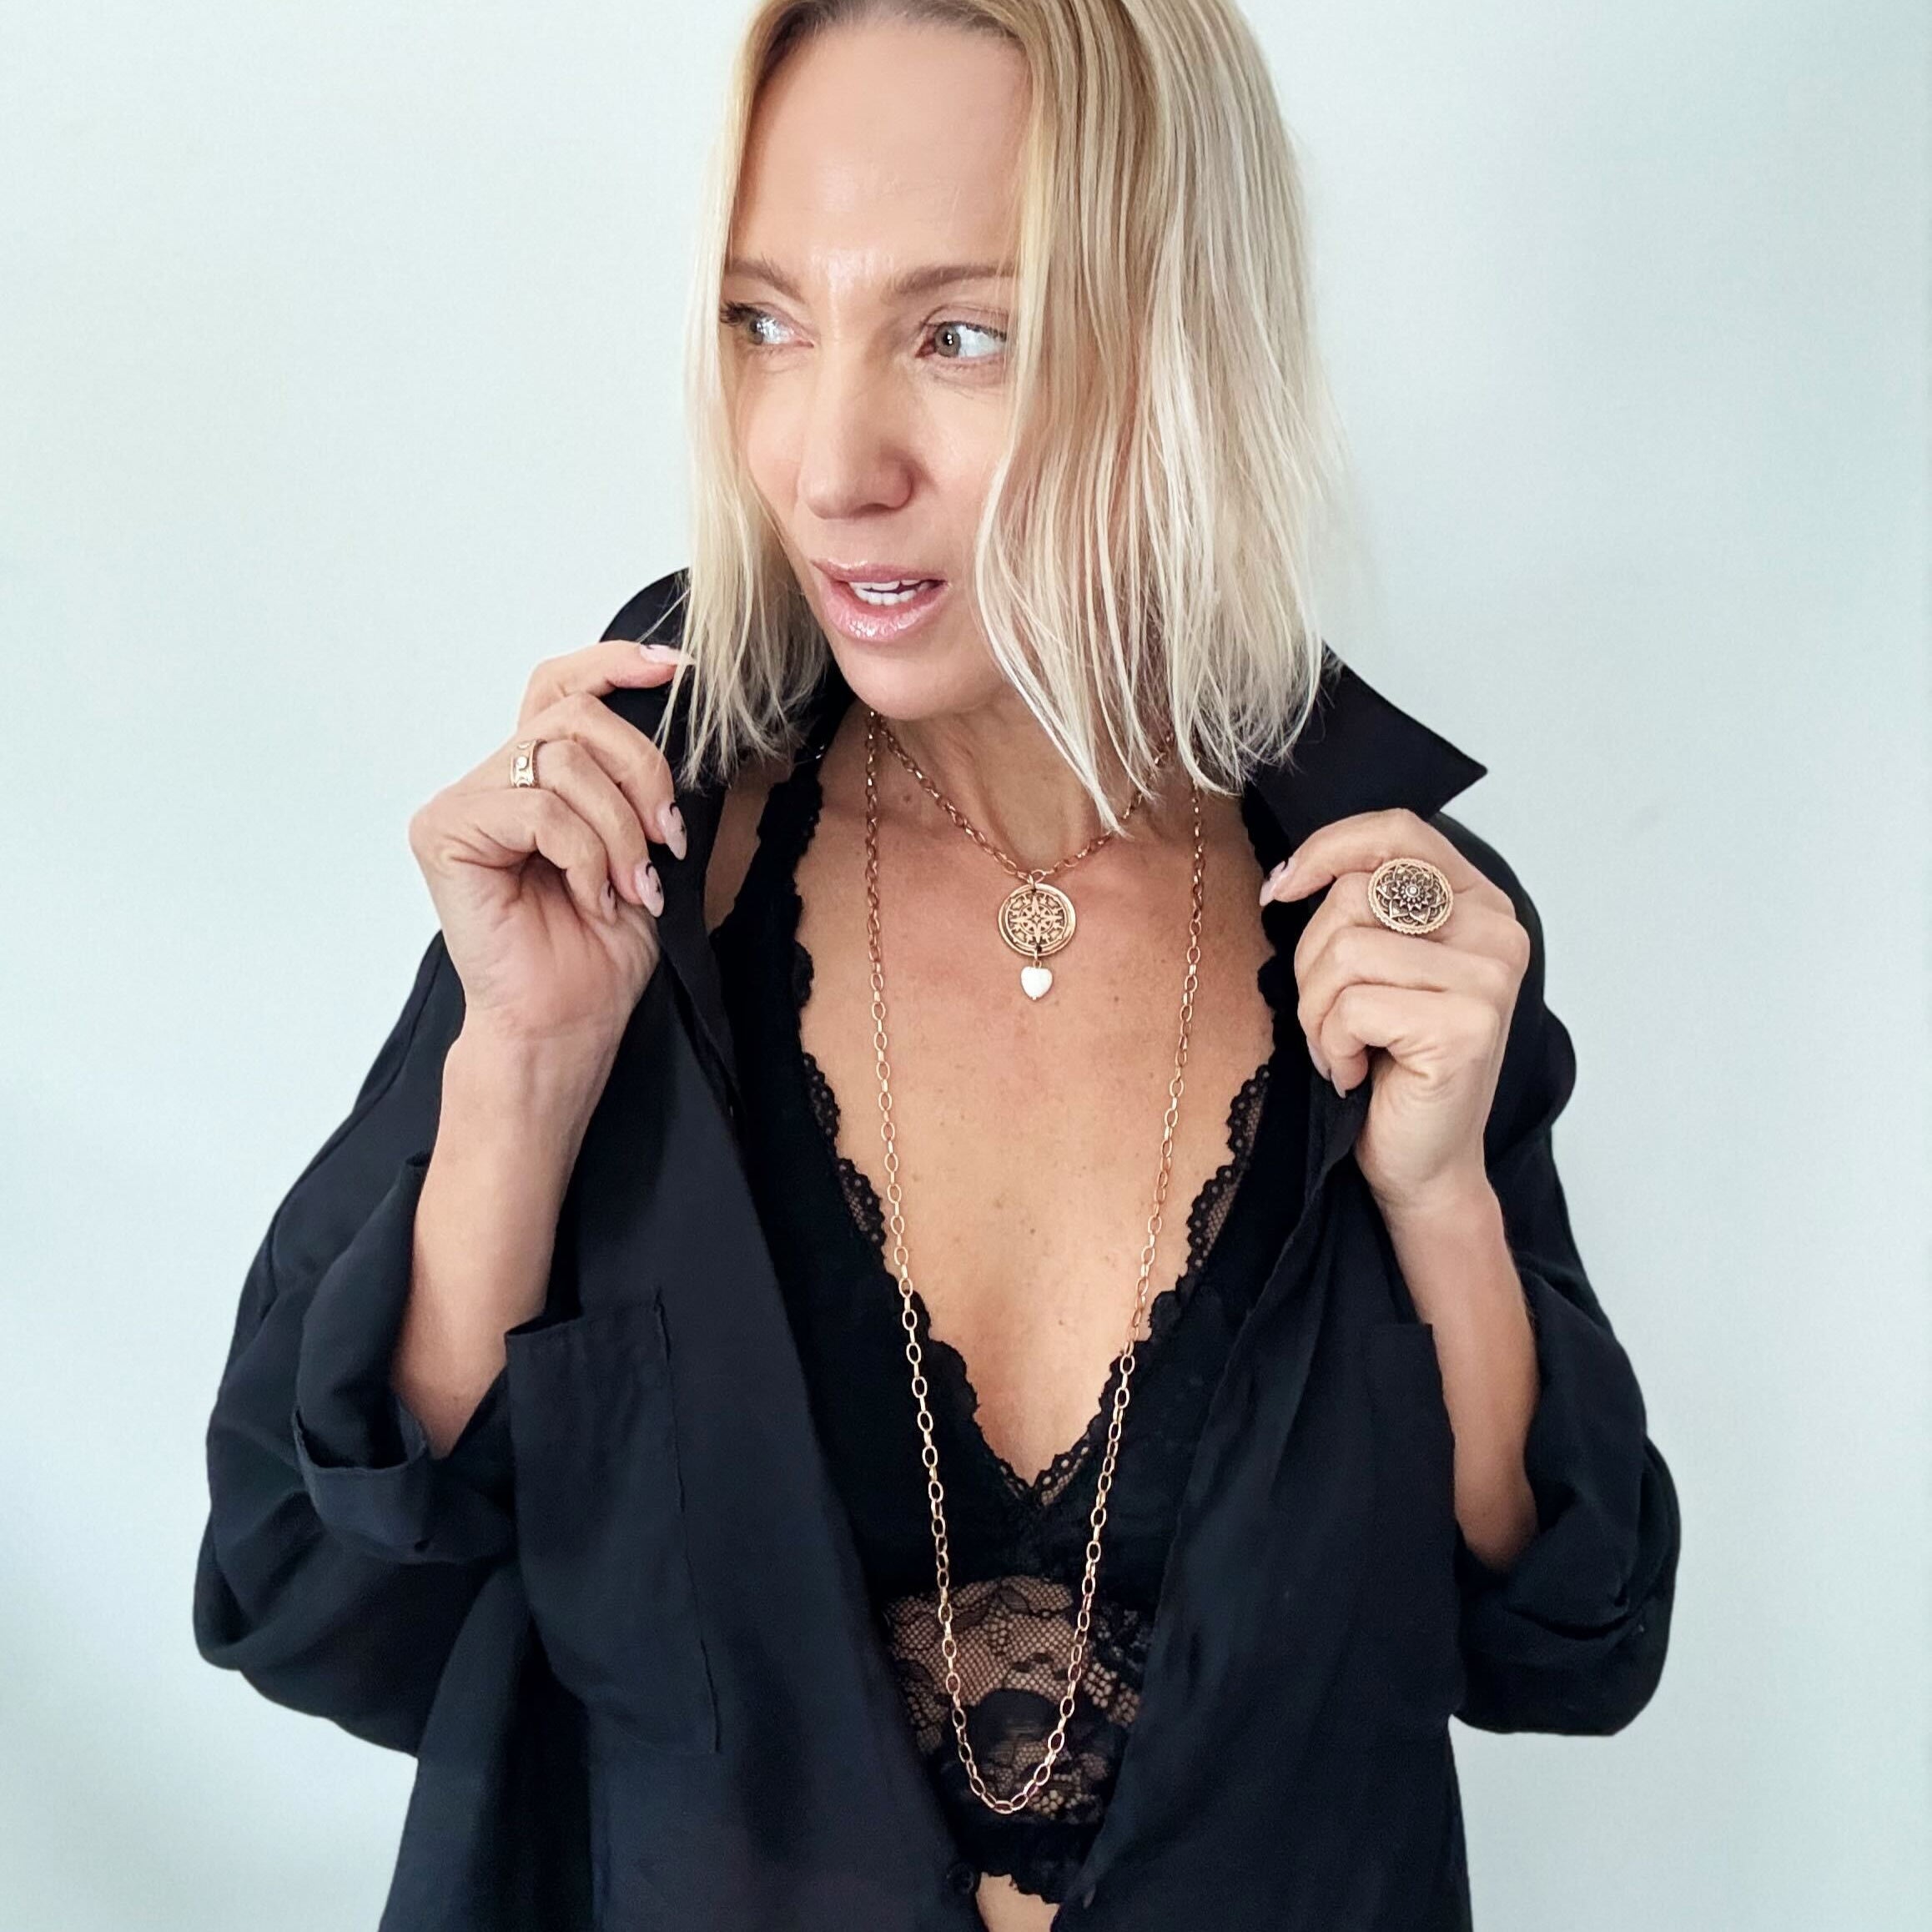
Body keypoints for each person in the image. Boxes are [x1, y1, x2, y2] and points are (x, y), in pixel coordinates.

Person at [193, 3, 1679, 1928]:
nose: (827, 462)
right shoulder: (630, 869)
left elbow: (1567, 1642)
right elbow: (308, 1588)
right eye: (765, 321)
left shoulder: (1393, 929)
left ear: (1174, 341)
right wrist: (522, 1086)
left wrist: (1442, 1203)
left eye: (960, 333)